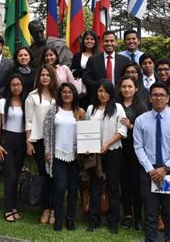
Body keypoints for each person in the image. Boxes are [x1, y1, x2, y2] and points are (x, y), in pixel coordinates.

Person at [134, 82, 170, 242]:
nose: (158, 98)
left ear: (168, 98)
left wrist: (165, 168)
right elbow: (138, 147)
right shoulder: (141, 120)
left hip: (168, 172)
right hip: (149, 172)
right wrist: (151, 170)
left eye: (162, 95)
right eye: (155, 95)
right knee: (150, 214)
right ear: (150, 98)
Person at [85, 79, 127, 234]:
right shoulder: (91, 109)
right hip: (95, 154)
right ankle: (94, 220)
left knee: (113, 187)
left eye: (106, 91)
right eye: (100, 91)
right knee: (94, 186)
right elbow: (86, 130)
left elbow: (122, 131)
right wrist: (88, 146)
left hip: (113, 152)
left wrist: (107, 144)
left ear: (111, 93)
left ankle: (113, 221)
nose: (103, 94)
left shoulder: (117, 108)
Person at [43, 82, 84, 231]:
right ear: (60, 94)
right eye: (64, 92)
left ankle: (70, 219)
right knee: (60, 187)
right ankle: (58, 219)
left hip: (75, 156)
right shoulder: (53, 110)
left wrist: (85, 148)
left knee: (73, 189)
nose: (67, 94)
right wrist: (47, 151)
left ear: (74, 94)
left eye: (70, 92)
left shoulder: (80, 112)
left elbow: (85, 133)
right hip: (57, 154)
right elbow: (46, 131)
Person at [25, 64, 58, 225]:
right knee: (44, 176)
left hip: (57, 142)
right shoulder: (32, 97)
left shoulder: (58, 95)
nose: (45, 77)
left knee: (55, 176)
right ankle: (45, 207)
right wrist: (28, 142)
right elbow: (28, 121)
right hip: (38, 141)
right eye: (42, 75)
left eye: (48, 75)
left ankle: (54, 209)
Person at [0, 74, 26, 222]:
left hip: (21, 142)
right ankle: (8, 209)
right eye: (13, 84)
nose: (16, 87)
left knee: (17, 175)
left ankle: (14, 207)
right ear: (9, 86)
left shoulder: (26, 102)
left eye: (18, 84)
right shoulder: (2, 102)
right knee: (10, 175)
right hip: (6, 140)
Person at [117, 75, 148, 231]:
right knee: (124, 183)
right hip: (119, 148)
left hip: (136, 149)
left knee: (136, 184)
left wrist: (131, 125)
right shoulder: (115, 105)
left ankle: (137, 216)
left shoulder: (141, 106)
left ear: (136, 88)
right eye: (124, 86)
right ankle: (127, 214)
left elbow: (146, 131)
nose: (127, 89)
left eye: (130, 86)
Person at [83, 31, 130, 102]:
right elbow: (86, 78)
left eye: (112, 41)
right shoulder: (93, 60)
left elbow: (128, 79)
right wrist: (99, 87)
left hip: (119, 98)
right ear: (102, 43)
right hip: (98, 99)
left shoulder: (124, 60)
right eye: (106, 41)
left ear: (116, 43)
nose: (109, 43)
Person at [71, 30, 99, 110]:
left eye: (92, 39)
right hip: (81, 91)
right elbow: (73, 72)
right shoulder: (77, 56)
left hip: (95, 91)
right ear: (83, 41)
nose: (89, 41)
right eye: (87, 39)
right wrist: (86, 71)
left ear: (95, 41)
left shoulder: (99, 56)